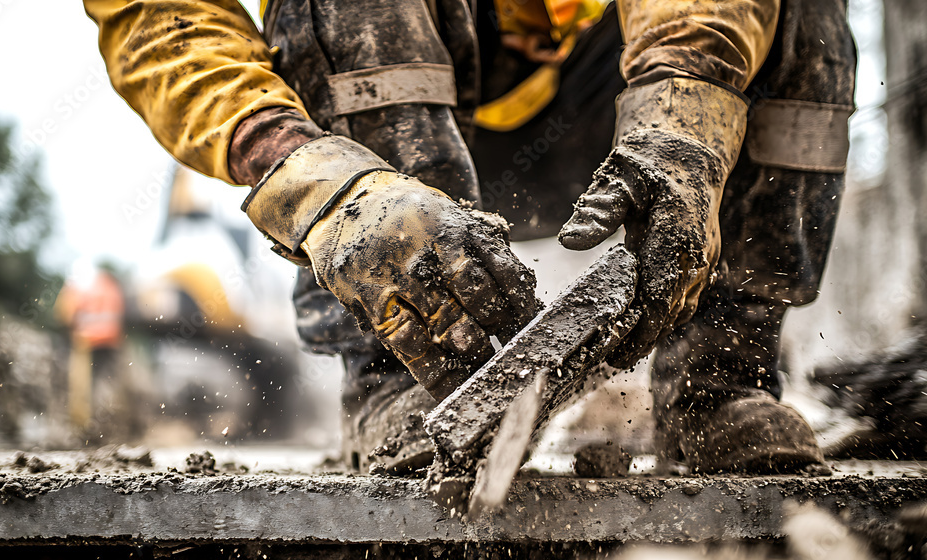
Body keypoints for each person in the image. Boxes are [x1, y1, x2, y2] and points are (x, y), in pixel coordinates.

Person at [84, 0, 856, 474]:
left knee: (806, 15)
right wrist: (316, 178)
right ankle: (409, 379)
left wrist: (684, 111)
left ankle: (720, 377)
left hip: (615, 96)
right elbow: (162, 18)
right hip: (405, 113)